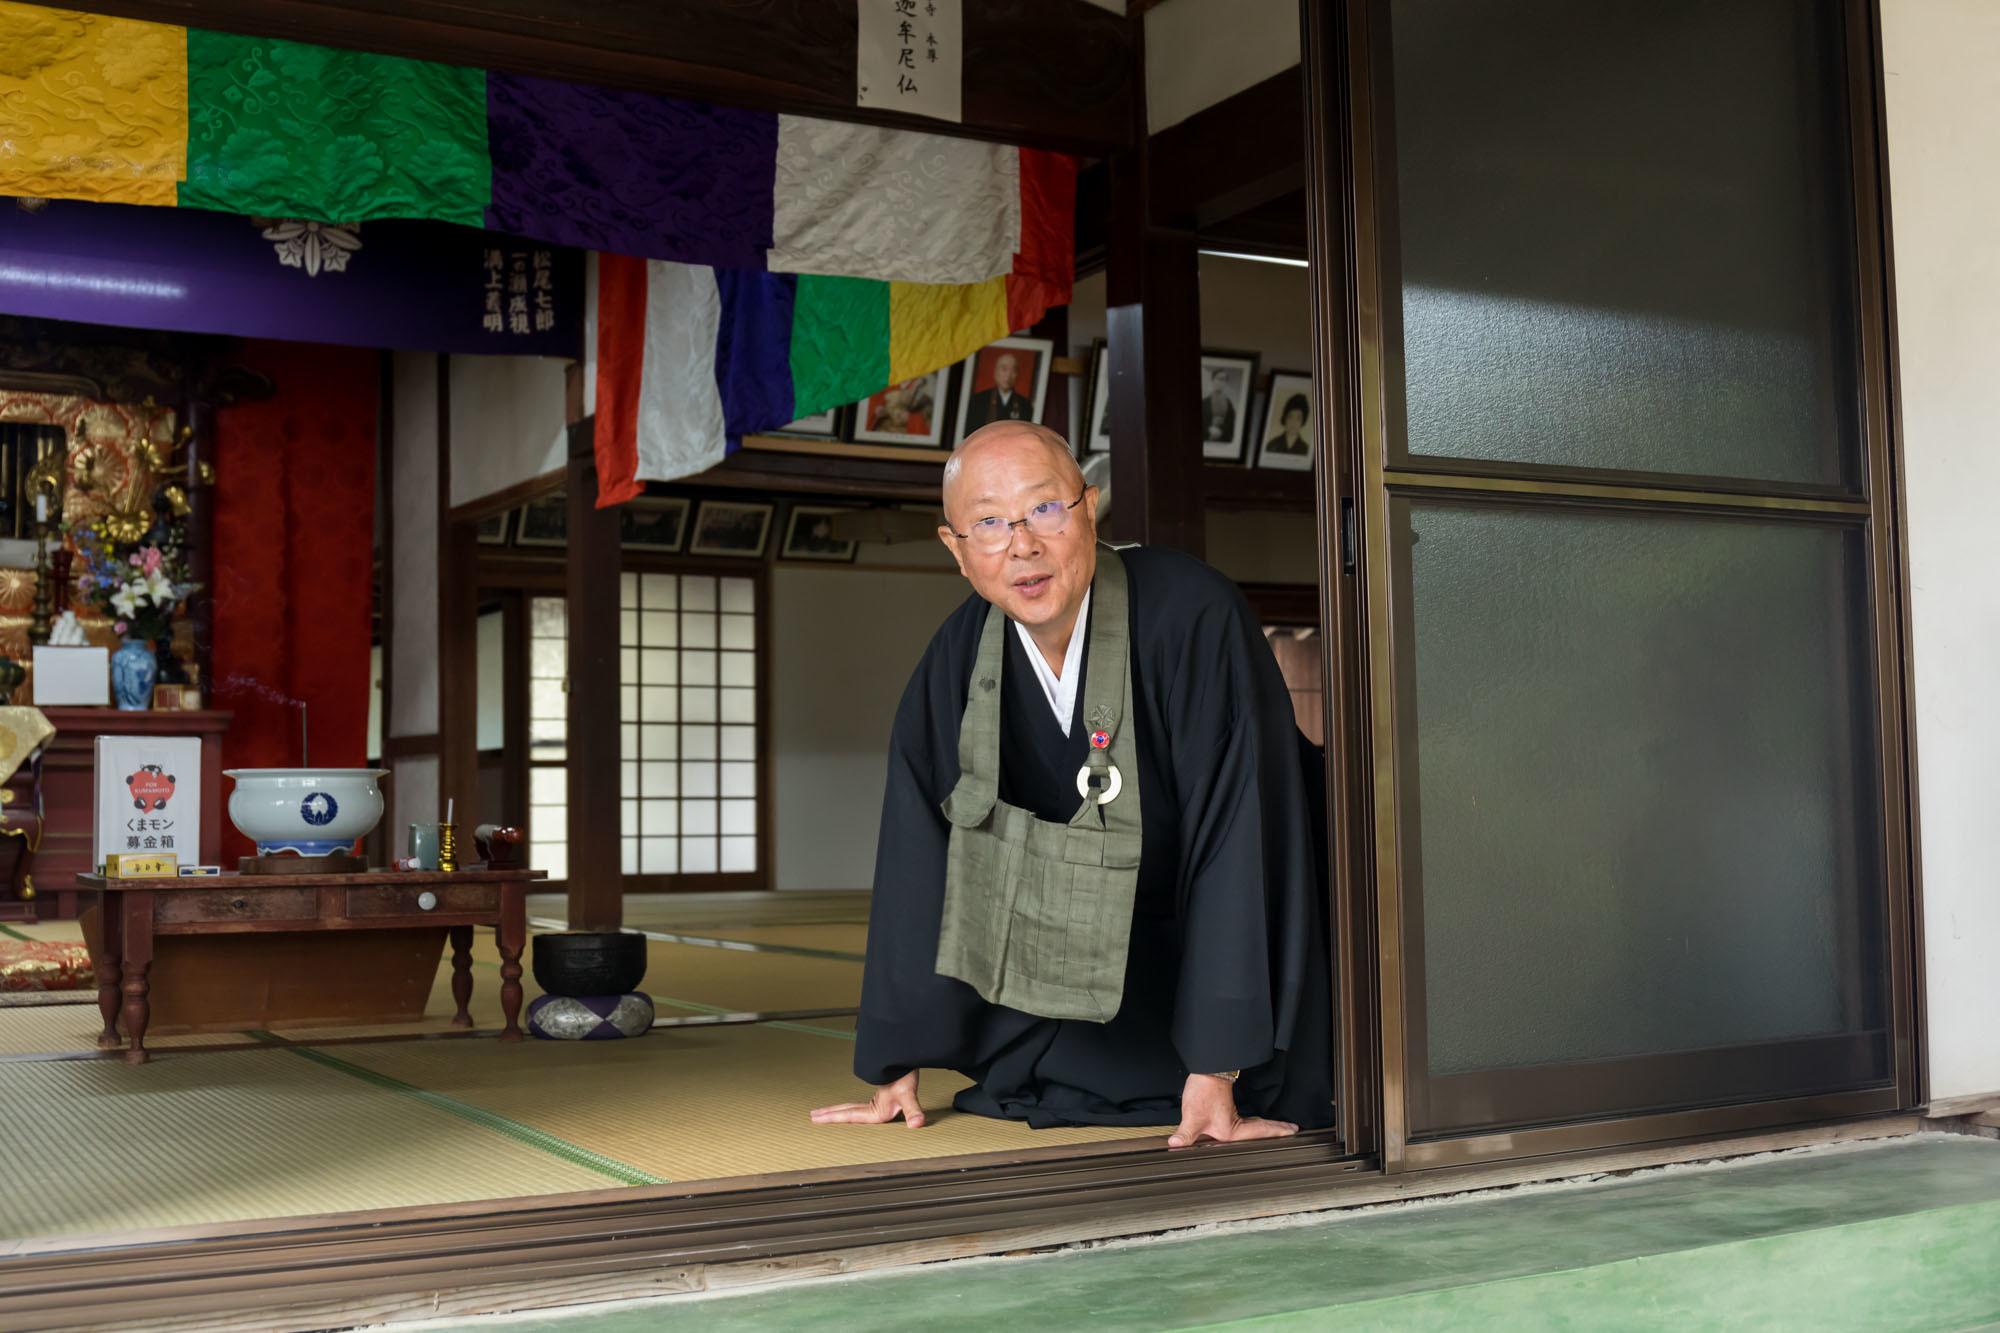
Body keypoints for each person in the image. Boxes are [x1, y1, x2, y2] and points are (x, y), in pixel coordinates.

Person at [810, 421, 1334, 1146]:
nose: (1021, 544)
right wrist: (896, 1059)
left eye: (1044, 509)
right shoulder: (959, 656)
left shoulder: (1192, 615)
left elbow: (1239, 833)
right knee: (1032, 1073)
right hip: (1079, 977)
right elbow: (918, 852)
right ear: (956, 549)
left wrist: (1219, 1064)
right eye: (989, 522)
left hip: (1207, 947)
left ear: (1090, 508)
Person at [961, 352, 1036, 431]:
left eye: (1013, 370)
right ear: (995, 372)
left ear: (1017, 375)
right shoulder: (978, 400)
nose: (1008, 375)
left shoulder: (1025, 405)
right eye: (1004, 369)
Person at [1263, 392, 1311, 457]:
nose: (1293, 422)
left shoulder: (1306, 450)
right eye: (1290, 417)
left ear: (1303, 421)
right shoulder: (1272, 445)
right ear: (1285, 418)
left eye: (1298, 418)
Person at [1201, 369, 1237, 443]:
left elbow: (1231, 424)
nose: (1221, 382)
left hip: (1222, 440)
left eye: (1224, 380)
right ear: (1213, 380)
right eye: (1219, 379)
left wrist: (1221, 431)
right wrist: (1208, 430)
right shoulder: (1204, 402)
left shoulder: (1229, 403)